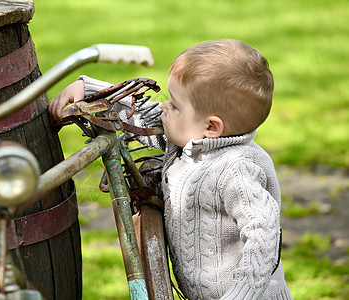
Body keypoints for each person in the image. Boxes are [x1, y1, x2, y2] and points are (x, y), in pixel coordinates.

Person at [49, 39, 293, 299]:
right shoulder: (191, 142)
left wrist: (240, 295)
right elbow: (144, 116)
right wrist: (90, 91)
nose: (165, 107)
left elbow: (262, 236)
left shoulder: (238, 169)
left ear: (211, 127)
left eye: (174, 105)